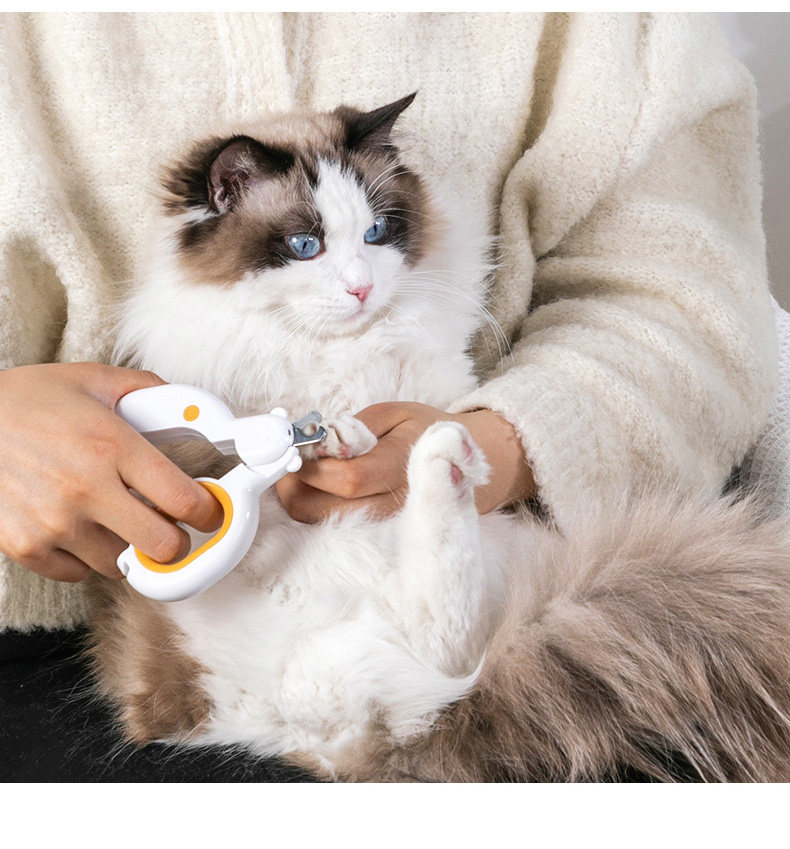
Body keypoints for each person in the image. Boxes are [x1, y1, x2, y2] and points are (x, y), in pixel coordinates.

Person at [0, 12, 777, 780]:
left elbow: (683, 299)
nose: (358, 281)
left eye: (375, 235)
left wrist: (506, 445)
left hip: (519, 573)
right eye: (306, 245)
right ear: (221, 196)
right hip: (84, 653)